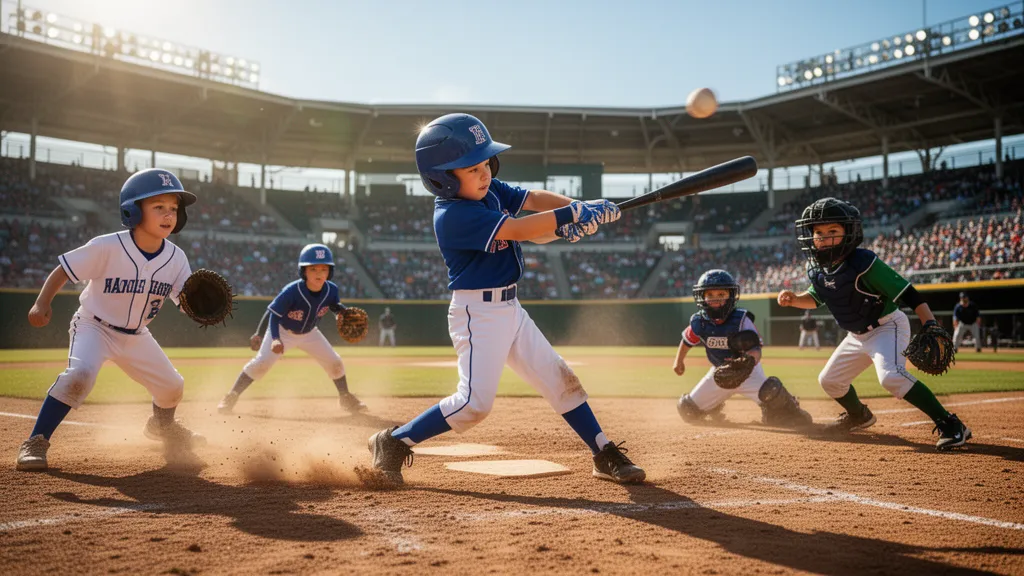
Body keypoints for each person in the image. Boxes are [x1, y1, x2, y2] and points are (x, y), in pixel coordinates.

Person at [365, 113, 645, 484]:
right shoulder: (452, 215)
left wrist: (577, 207)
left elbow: (532, 200)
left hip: (509, 308)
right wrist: (571, 215)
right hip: (477, 313)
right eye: (471, 168)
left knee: (560, 379)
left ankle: (602, 451)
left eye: (486, 163)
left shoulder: (490, 189)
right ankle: (393, 441)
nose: (484, 173)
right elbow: (519, 228)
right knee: (473, 405)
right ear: (443, 179)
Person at [17, 169, 205, 471]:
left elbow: (185, 300)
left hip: (136, 335)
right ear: (132, 211)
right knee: (80, 375)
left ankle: (161, 426)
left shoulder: (176, 258)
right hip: (94, 326)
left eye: (173, 208)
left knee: (172, 386)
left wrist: (200, 307)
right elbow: (64, 269)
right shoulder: (107, 245)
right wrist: (42, 303)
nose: (169, 214)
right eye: (158, 207)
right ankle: (36, 440)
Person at [777, 197, 971, 451]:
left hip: (887, 326)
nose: (824, 237)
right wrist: (795, 300)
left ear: (849, 233)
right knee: (830, 380)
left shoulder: (864, 263)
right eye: (818, 232)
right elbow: (815, 298)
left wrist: (930, 324)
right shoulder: (818, 269)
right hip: (856, 336)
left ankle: (951, 425)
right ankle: (859, 415)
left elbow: (908, 293)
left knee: (891, 377)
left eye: (832, 231)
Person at [217, 243, 366, 415]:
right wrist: (274, 338)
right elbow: (273, 314)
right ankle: (231, 396)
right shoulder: (291, 291)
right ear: (304, 271)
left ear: (329, 272)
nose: (319, 273)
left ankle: (345, 398)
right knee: (261, 364)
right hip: (282, 331)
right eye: (313, 269)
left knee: (335, 363)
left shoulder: (332, 290)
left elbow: (333, 304)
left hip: (310, 333)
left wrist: (341, 312)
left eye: (323, 269)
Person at [673, 270, 811, 429]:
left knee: (771, 391)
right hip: (720, 375)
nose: (715, 299)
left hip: (748, 373)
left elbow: (756, 349)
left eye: (721, 294)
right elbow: (687, 341)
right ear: (702, 297)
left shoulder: (741, 320)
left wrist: (748, 362)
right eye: (710, 295)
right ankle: (714, 406)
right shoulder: (700, 321)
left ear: (731, 296)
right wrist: (679, 361)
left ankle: (788, 409)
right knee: (688, 410)